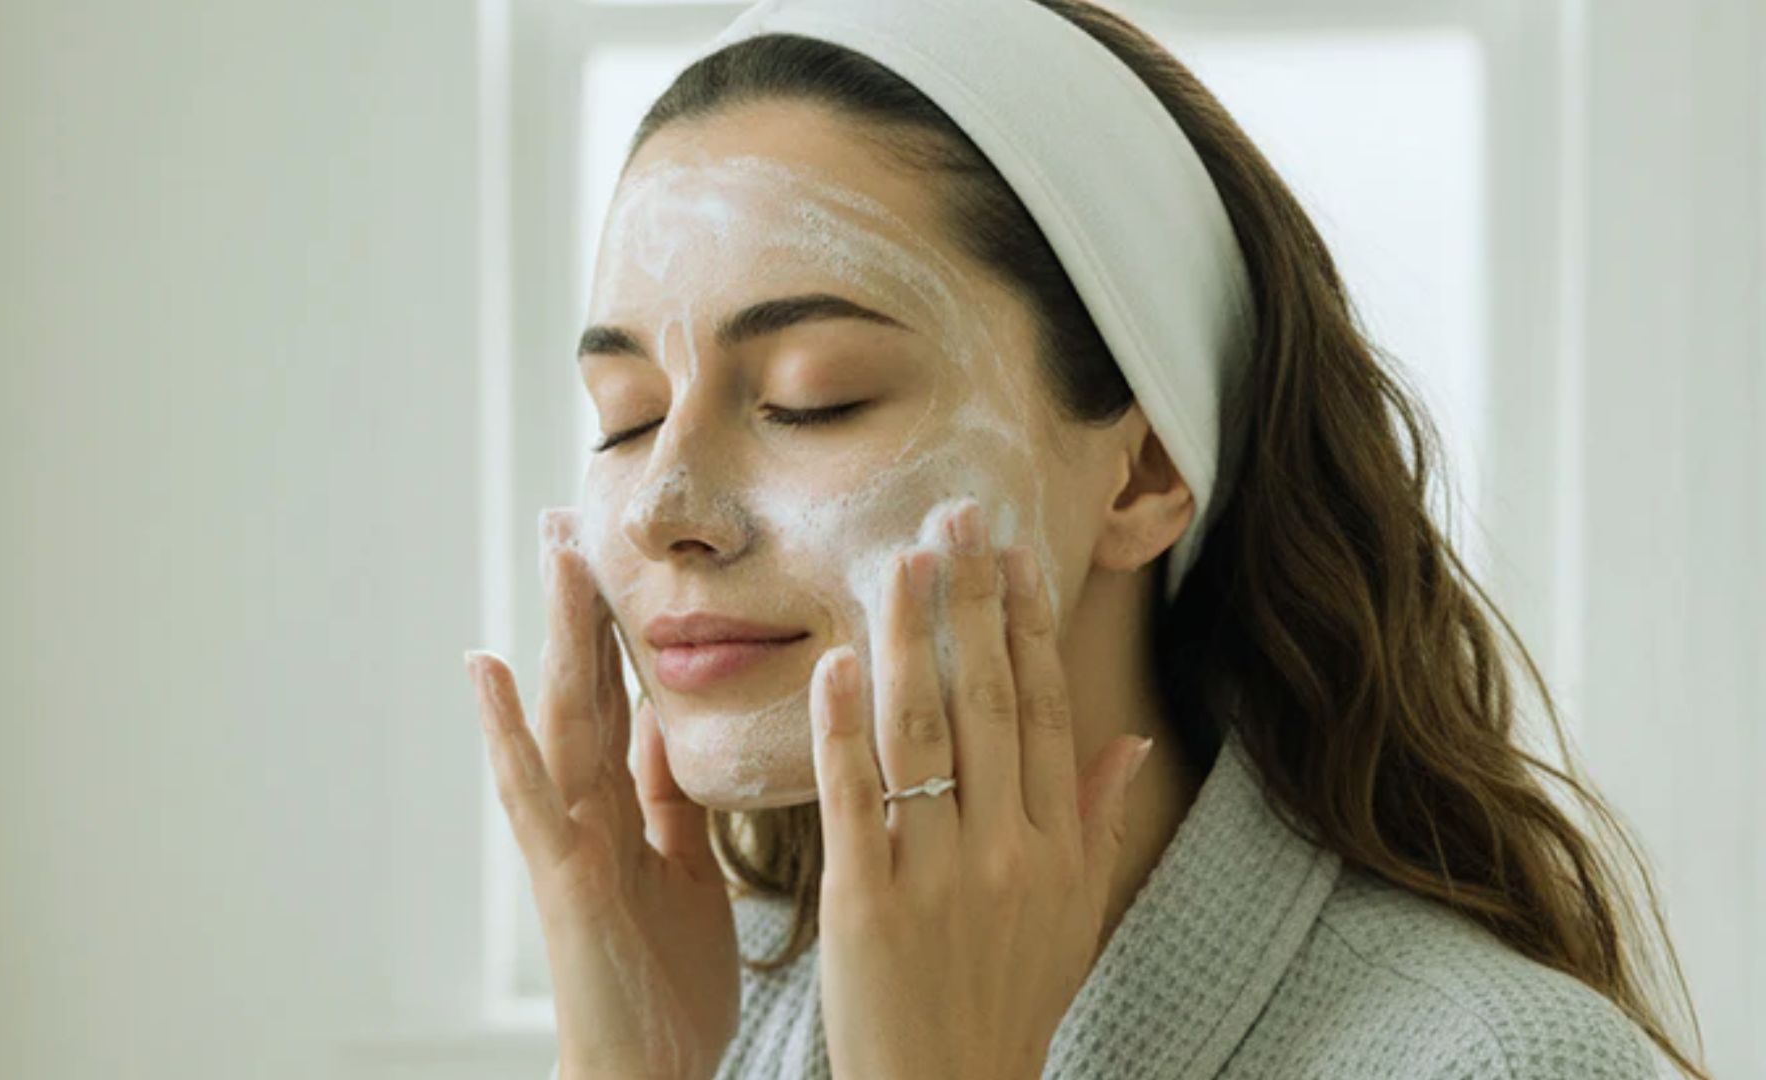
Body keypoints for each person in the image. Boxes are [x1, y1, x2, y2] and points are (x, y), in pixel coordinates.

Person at [465, 0, 1709, 1076]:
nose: (662, 507)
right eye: (626, 417)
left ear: (1145, 473)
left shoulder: (1494, 1061)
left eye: (813, 397)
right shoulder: (712, 1009)